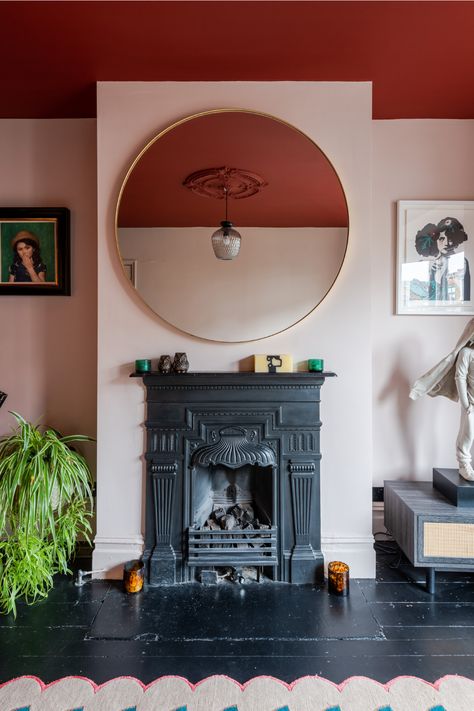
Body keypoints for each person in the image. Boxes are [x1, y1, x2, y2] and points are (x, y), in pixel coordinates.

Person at [410, 319, 474, 481]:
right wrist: (466, 404)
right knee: (468, 433)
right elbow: (460, 377)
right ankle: (464, 463)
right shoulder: (466, 353)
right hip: (471, 402)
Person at [415, 217, 470, 301]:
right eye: (442, 239)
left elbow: (464, 293)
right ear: (436, 241)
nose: (446, 243)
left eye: (450, 238)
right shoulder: (431, 265)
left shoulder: (461, 262)